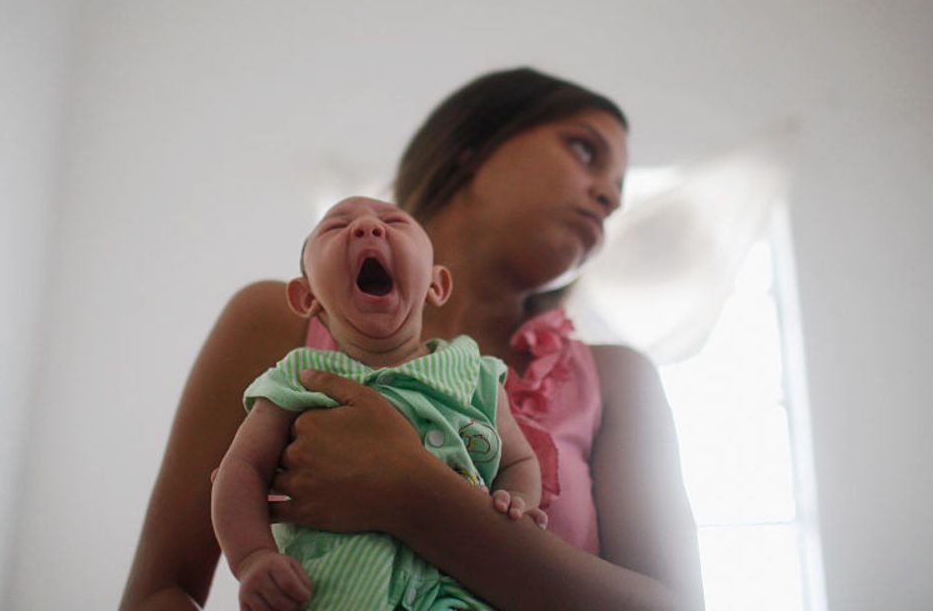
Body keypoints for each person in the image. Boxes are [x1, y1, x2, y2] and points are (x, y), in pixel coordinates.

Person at [120, 68, 705, 611]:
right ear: (471, 148)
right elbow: (162, 592)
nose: (611, 196)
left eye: (618, 186)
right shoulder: (270, 322)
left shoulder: (617, 379)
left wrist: (413, 493)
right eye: (585, 150)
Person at [212, 196, 543, 610]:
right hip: (333, 595)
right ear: (306, 296)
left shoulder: (474, 373)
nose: (368, 228)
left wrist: (517, 501)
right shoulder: (298, 378)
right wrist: (253, 557)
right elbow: (240, 468)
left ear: (436, 285)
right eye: (335, 226)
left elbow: (520, 462)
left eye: (394, 221)